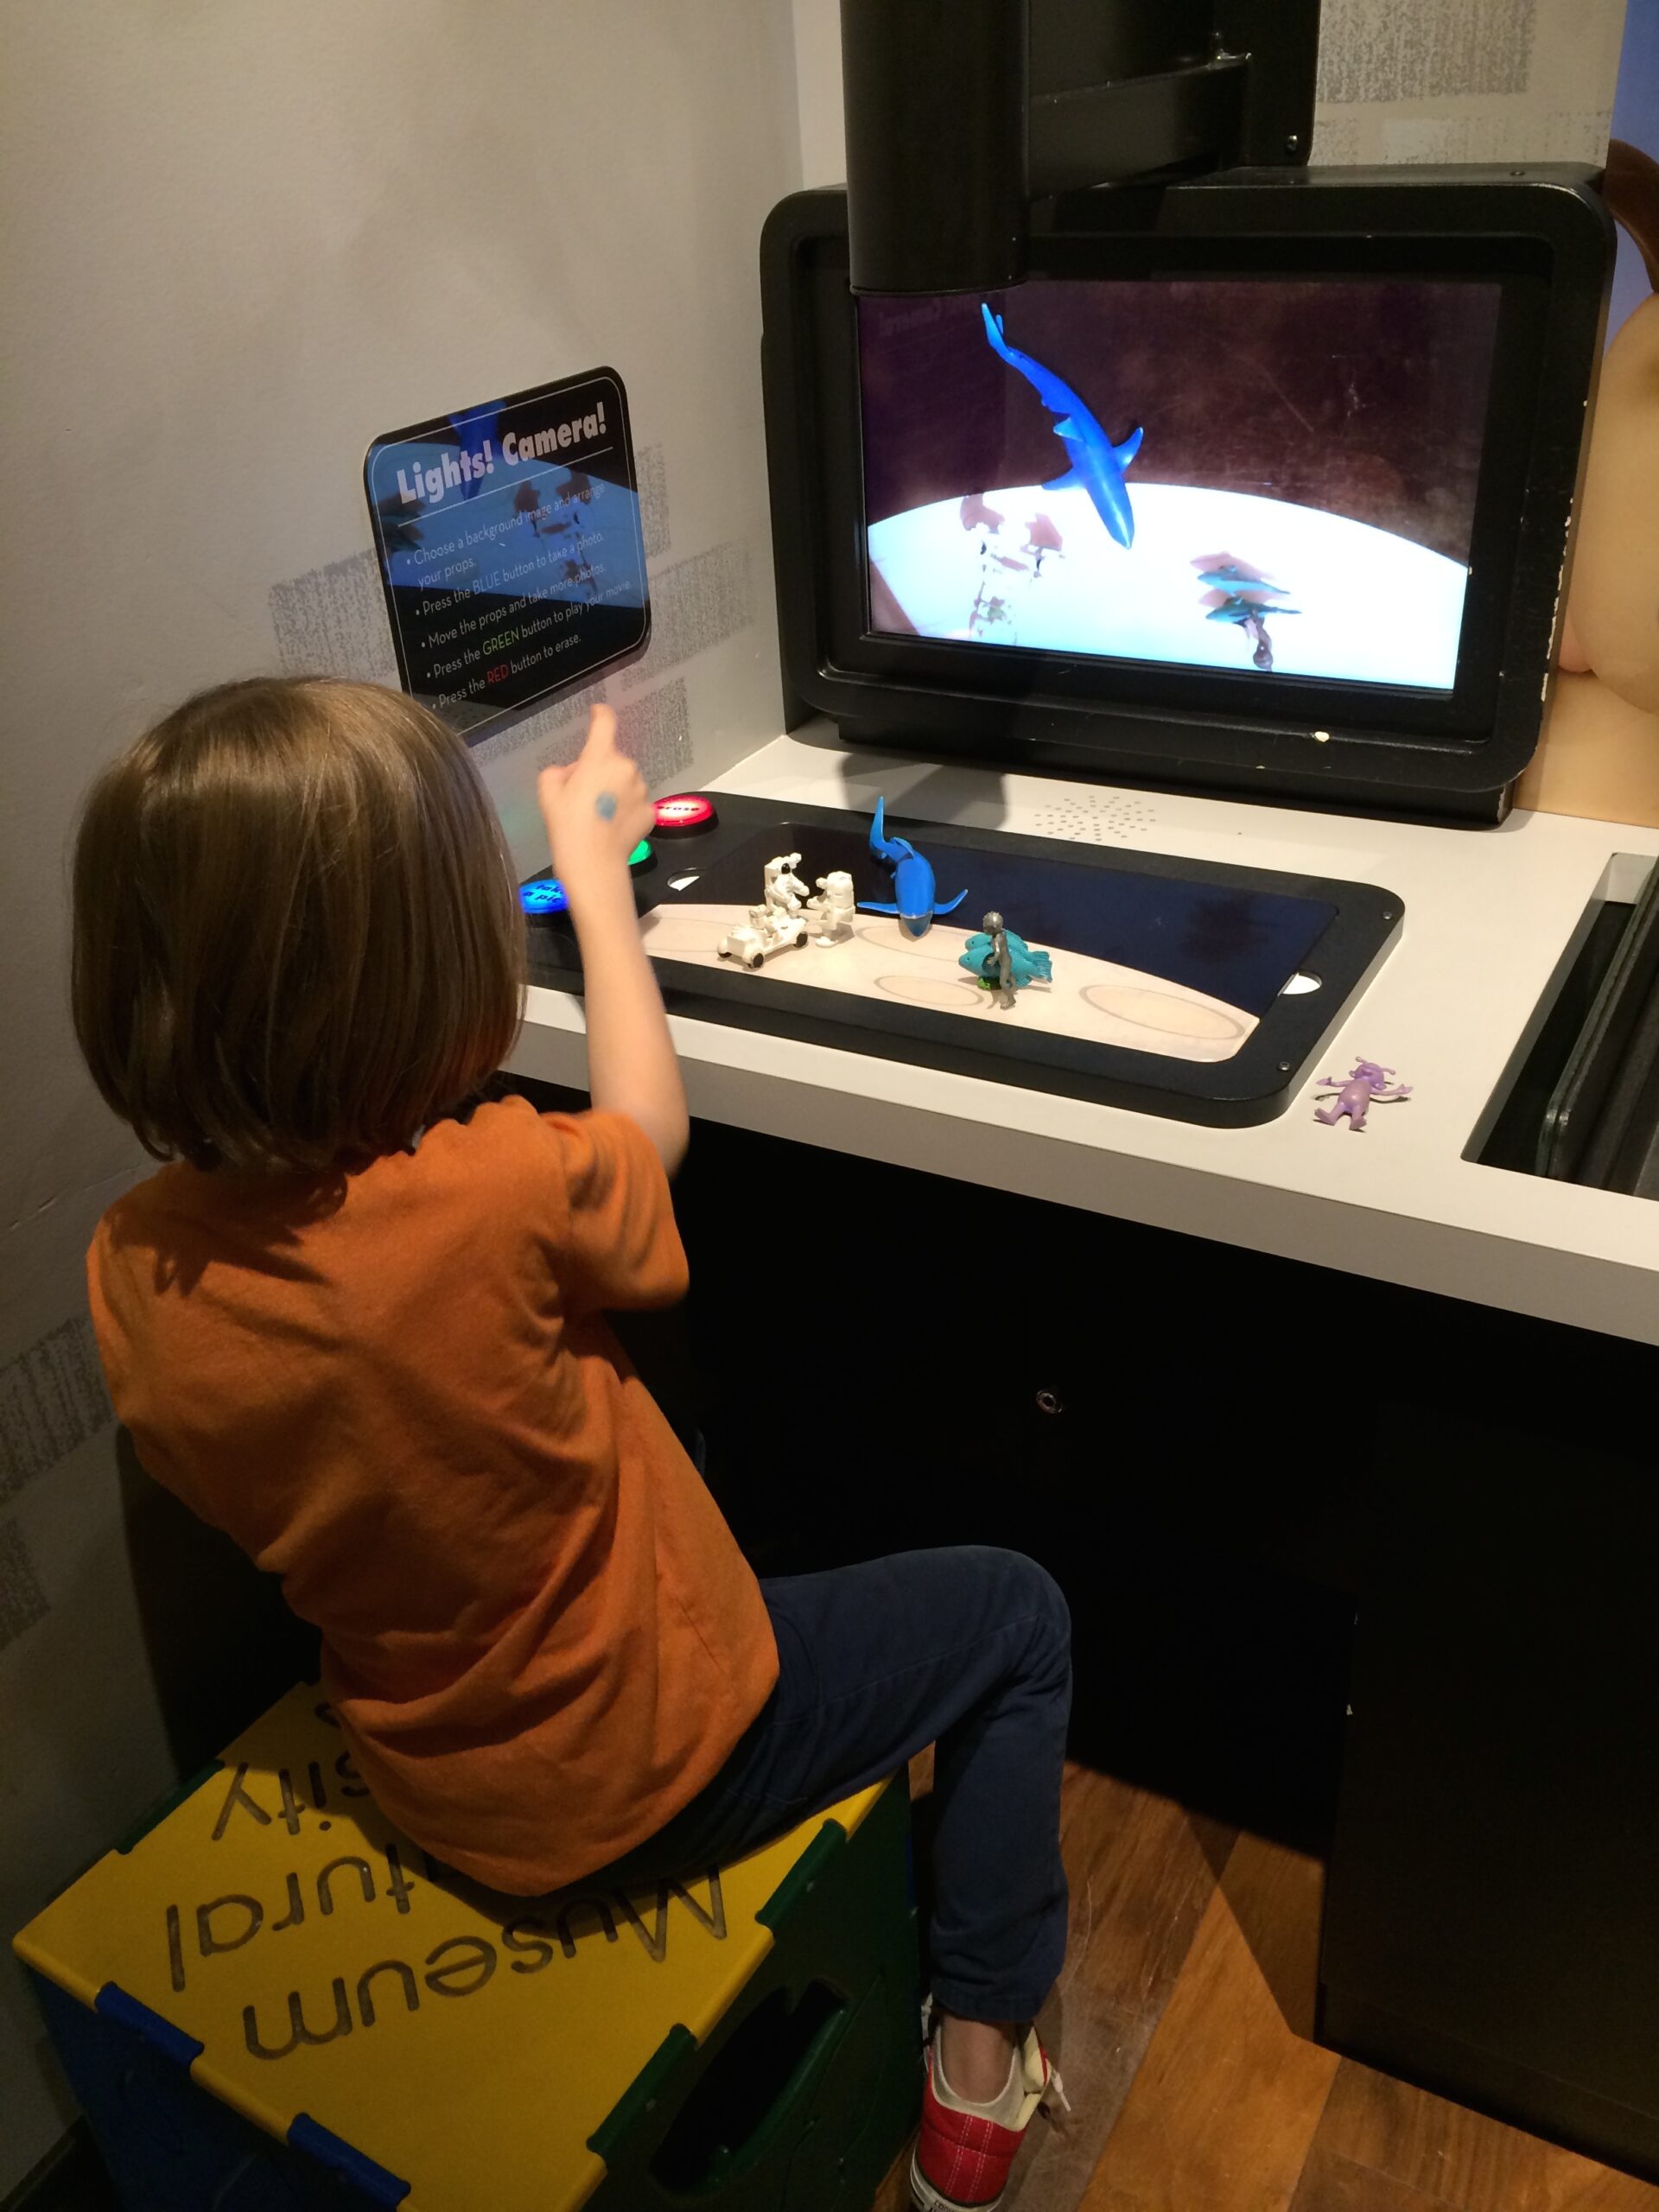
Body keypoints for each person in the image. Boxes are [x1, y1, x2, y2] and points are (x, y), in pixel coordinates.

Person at [72, 677, 1071, 2211]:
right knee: (1018, 1615)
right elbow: (648, 1135)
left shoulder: (131, 1267)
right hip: (661, 1763)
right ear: (428, 969)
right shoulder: (494, 1189)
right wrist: (601, 878)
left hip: (438, 1782)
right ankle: (980, 2068)